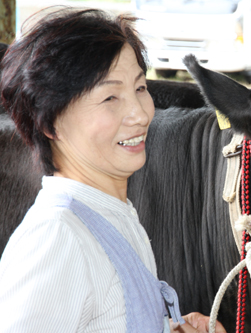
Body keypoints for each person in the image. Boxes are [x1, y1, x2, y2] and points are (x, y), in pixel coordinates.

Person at [0, 7, 225, 333]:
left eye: (140, 88)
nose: (140, 114)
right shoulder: (59, 239)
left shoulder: (110, 216)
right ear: (49, 123)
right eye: (110, 98)